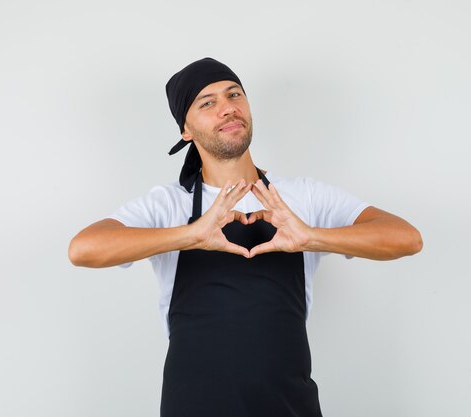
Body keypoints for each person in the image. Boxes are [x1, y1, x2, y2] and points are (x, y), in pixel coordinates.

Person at [68, 57, 423, 417]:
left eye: (234, 94)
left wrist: (311, 238)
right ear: (185, 130)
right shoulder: (168, 204)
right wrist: (191, 235)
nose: (227, 108)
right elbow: (84, 249)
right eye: (207, 102)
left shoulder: (303, 197)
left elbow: (406, 238)